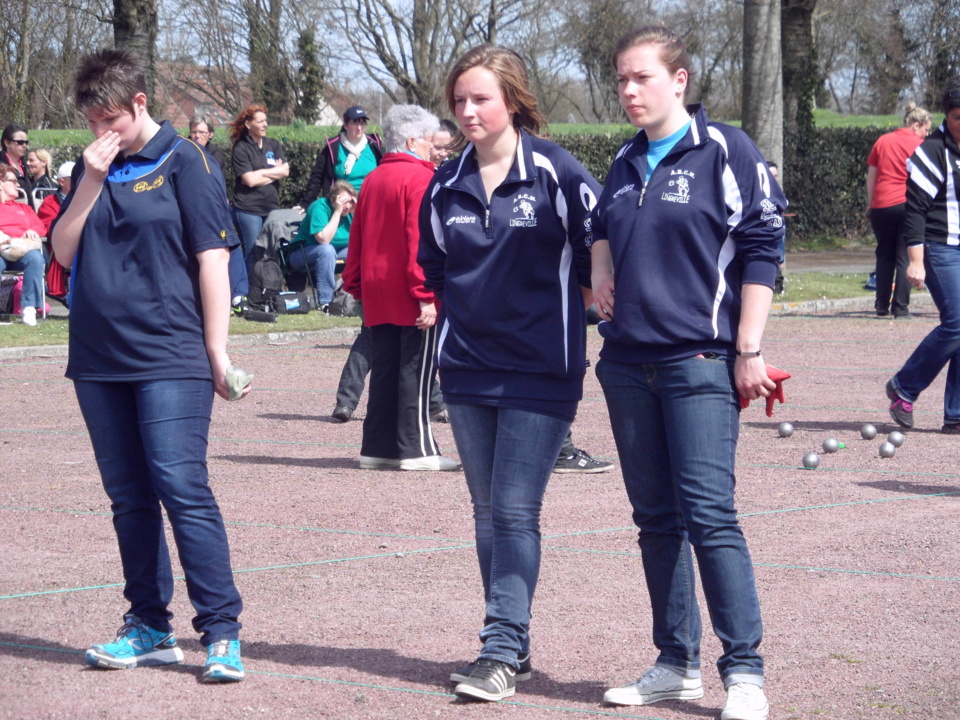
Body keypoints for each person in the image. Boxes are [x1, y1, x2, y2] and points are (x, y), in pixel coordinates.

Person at [590, 27, 785, 720]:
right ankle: (675, 664)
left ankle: (745, 673)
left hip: (699, 362)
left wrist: (748, 348)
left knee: (709, 514)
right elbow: (600, 227)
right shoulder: (623, 159)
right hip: (625, 365)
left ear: (680, 80)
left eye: (641, 77)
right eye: (621, 79)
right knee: (655, 521)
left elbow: (764, 246)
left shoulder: (725, 150)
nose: (629, 91)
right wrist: (601, 268)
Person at [49, 48, 247, 683]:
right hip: (99, 358)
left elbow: (213, 260)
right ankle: (148, 625)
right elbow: (63, 249)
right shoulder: (94, 168)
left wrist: (217, 352)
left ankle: (221, 631)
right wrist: (88, 180)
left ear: (140, 103)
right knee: (128, 497)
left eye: (109, 119)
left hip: (170, 352)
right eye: (90, 122)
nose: (100, 132)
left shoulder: (187, 161)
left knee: (181, 486)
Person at [418, 45, 602, 702]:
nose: (468, 111)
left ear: (513, 102)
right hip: (466, 370)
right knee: (486, 512)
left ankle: (497, 652)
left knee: (517, 511)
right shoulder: (443, 184)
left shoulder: (556, 171)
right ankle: (512, 645)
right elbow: (435, 270)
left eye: (481, 99)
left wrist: (576, 308)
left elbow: (600, 245)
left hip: (540, 370)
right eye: (459, 100)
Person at [340, 103, 457, 472]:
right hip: (409, 291)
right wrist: (426, 295)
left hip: (376, 290)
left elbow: (357, 238)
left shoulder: (373, 178)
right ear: (411, 140)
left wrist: (354, 283)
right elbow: (417, 242)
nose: (431, 148)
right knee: (416, 370)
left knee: (386, 368)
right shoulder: (421, 179)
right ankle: (415, 448)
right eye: (427, 141)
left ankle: (379, 446)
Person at [885, 78, 960, 435]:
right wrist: (915, 261)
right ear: (947, 115)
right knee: (957, 322)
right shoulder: (931, 151)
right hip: (938, 246)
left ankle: (956, 413)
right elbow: (914, 212)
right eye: (958, 116)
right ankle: (904, 387)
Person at [867, 102, 932, 318]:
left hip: (882, 204)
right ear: (916, 125)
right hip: (907, 204)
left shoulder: (882, 141)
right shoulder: (920, 146)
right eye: (926, 129)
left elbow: (872, 176)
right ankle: (900, 307)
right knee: (905, 255)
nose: (927, 134)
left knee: (884, 255)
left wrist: (871, 203)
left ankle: (881, 305)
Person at [230, 103, 288, 308]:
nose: (265, 124)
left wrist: (261, 174)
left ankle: (269, 292)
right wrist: (273, 174)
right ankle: (246, 295)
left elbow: (285, 171)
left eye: (265, 120)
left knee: (271, 252)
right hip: (248, 209)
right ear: (248, 124)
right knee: (253, 251)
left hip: (271, 209)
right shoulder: (241, 148)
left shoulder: (273, 144)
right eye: (260, 121)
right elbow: (249, 181)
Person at [287, 180, 357, 310]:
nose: (347, 206)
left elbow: (367, 236)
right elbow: (323, 239)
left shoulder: (351, 212)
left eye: (350, 201)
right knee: (327, 250)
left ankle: (355, 297)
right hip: (301, 253)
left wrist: (359, 210)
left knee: (363, 250)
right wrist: (337, 211)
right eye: (344, 201)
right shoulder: (320, 207)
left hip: (335, 252)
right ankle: (326, 302)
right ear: (333, 199)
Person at [300, 105, 383, 206]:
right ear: (346, 125)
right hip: (342, 204)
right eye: (355, 123)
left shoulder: (374, 145)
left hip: (371, 201)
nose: (359, 127)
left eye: (362, 123)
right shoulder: (333, 147)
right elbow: (317, 176)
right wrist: (306, 203)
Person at [0, 163, 46, 326]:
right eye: (12, 181)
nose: (18, 184)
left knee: (35, 258)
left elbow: (41, 226)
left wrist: (33, 230)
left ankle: (29, 308)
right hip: (1, 249)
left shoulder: (24, 208)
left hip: (22, 248)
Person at [38, 161, 75, 299]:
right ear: (62, 182)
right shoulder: (50, 201)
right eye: (75, 178)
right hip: (61, 246)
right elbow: (49, 227)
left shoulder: (85, 198)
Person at [0, 123, 31, 200]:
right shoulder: (1, 163)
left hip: (26, 209)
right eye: (20, 142)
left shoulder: (27, 164)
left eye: (26, 142)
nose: (24, 146)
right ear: (7, 143)